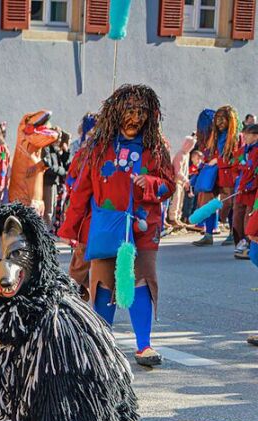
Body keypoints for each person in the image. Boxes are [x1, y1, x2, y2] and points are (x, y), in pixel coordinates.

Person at [59, 84, 174, 369]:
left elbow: (169, 185)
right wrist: (72, 230)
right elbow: (82, 191)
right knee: (103, 284)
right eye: (130, 111)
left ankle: (144, 345)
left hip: (143, 229)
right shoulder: (98, 148)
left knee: (141, 281)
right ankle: (101, 344)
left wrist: (150, 184)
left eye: (141, 113)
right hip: (106, 227)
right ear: (116, 113)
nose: (135, 118)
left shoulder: (156, 148)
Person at [193, 105, 239, 247]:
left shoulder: (234, 139)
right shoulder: (214, 137)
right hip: (214, 175)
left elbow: (235, 157)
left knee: (230, 205)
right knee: (209, 204)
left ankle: (233, 233)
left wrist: (217, 161)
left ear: (229, 120)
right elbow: (211, 154)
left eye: (222, 119)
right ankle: (208, 234)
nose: (219, 122)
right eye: (217, 118)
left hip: (227, 175)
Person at [231, 125, 258, 257]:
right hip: (240, 189)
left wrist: (250, 185)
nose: (244, 137)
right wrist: (237, 177)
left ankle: (248, 244)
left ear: (256, 136)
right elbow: (234, 164)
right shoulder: (243, 150)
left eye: (247, 134)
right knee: (237, 217)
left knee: (249, 217)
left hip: (252, 191)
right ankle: (240, 242)